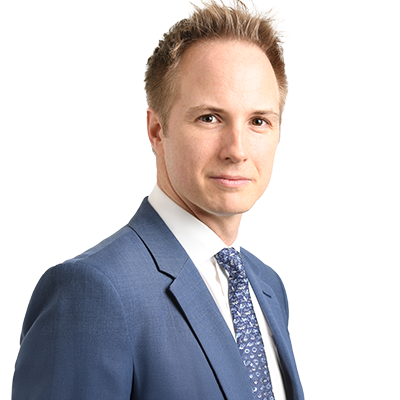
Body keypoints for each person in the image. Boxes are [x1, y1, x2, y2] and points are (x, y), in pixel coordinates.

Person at [12, 1, 304, 399]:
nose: (237, 150)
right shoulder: (92, 292)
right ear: (156, 130)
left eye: (258, 121)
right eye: (209, 118)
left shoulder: (268, 286)